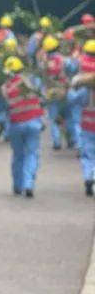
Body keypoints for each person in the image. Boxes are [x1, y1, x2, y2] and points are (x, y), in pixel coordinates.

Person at [1, 56, 45, 197]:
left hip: (16, 124)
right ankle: (28, 184)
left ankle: (17, 185)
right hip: (33, 122)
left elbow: (6, 107)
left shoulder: (5, 88)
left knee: (18, 155)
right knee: (32, 154)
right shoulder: (32, 81)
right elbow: (42, 96)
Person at [34, 35, 75, 150]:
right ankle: (72, 140)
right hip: (64, 91)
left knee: (53, 118)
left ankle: (57, 142)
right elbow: (73, 70)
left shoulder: (43, 61)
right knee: (68, 117)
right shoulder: (64, 60)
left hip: (50, 93)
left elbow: (41, 78)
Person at [67, 63, 95, 196]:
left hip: (88, 127)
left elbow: (72, 100)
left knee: (88, 155)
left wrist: (71, 89)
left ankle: (89, 177)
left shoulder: (86, 92)